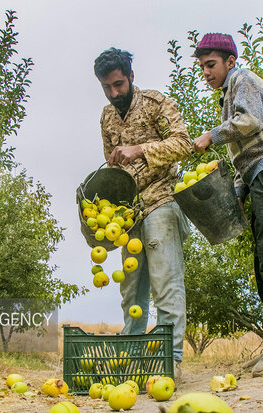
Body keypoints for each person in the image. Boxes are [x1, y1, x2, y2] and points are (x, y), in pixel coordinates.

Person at [192, 33, 263, 376]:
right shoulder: (229, 93)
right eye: (202, 67)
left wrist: (212, 134)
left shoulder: (244, 80)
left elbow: (250, 123)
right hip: (259, 175)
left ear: (230, 61)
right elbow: (243, 151)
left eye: (211, 65)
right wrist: (238, 192)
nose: (206, 72)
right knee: (262, 256)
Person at [94, 47, 191, 378]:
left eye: (119, 84)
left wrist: (141, 150)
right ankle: (130, 359)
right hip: (129, 212)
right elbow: (113, 165)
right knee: (131, 289)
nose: (114, 92)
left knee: (166, 283)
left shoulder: (155, 103)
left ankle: (171, 359)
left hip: (162, 198)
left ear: (131, 77)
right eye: (107, 87)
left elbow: (183, 143)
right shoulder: (107, 116)